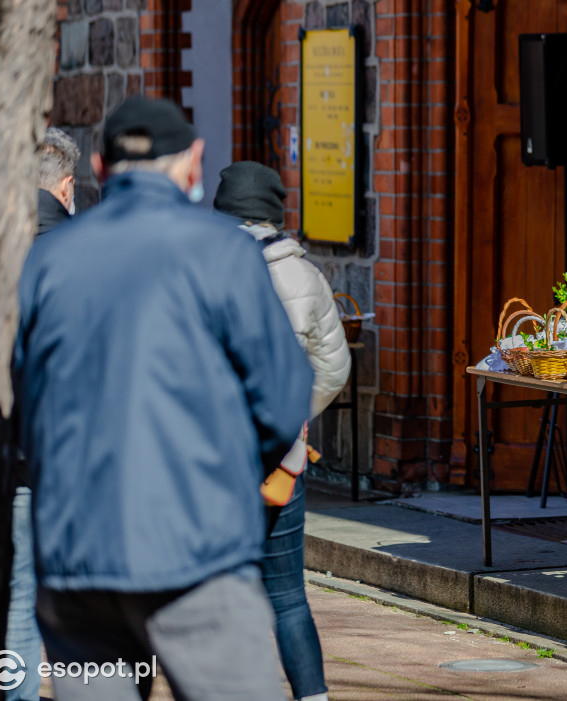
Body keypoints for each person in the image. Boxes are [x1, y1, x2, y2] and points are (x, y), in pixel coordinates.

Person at [12, 96, 314, 701]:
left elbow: (25, 395)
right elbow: (284, 395)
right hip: (196, 554)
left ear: (99, 164)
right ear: (194, 163)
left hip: (78, 560)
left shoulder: (45, 259)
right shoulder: (223, 251)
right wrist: (224, 473)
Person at [214, 161, 351, 701]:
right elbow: (335, 369)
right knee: (289, 594)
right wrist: (290, 416)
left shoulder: (206, 270)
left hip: (217, 460)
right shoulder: (305, 275)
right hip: (281, 463)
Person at [2, 127, 83, 701]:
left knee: (16, 597)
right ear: (67, 185)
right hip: (75, 457)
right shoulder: (85, 256)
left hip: (10, 452)